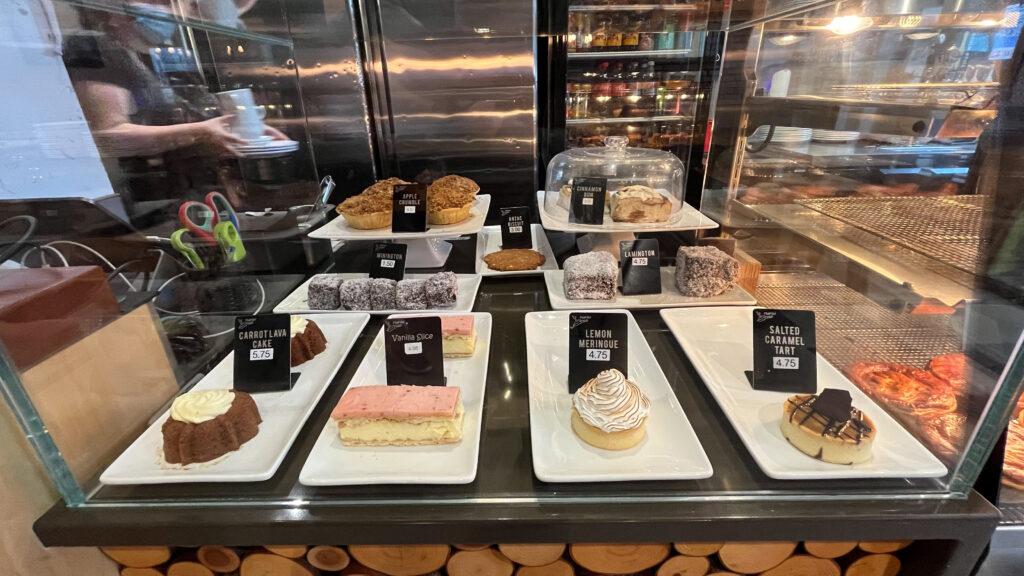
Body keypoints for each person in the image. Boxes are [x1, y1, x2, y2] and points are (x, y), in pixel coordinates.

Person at [63, 0, 287, 226]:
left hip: (207, 197)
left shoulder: (169, 52)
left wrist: (245, 131)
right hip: (159, 202)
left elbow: (194, 122)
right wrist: (202, 133)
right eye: (153, 2)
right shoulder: (93, 47)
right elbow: (107, 137)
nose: (166, 9)